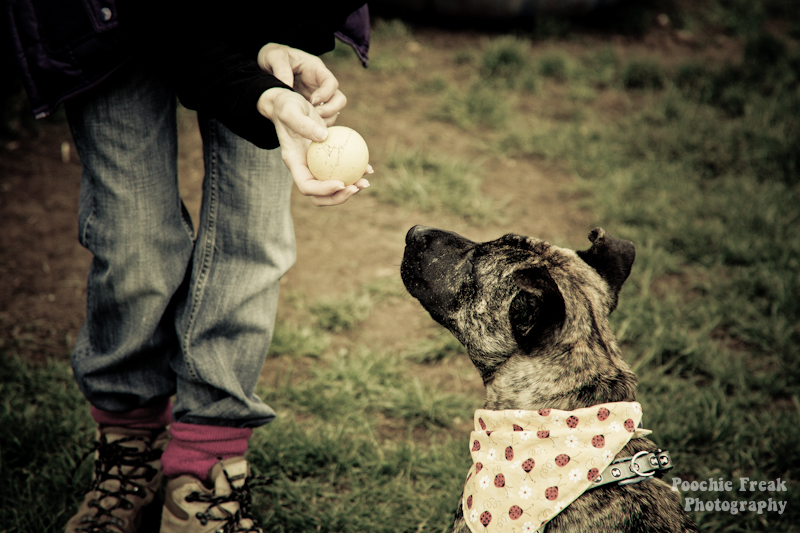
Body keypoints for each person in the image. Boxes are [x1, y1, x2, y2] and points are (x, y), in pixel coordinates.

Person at [6, 1, 371, 532]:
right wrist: (251, 88)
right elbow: (155, 16)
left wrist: (284, 38)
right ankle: (129, 447)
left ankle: (207, 465)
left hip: (263, 15)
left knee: (254, 234)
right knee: (133, 239)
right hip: (106, 17)